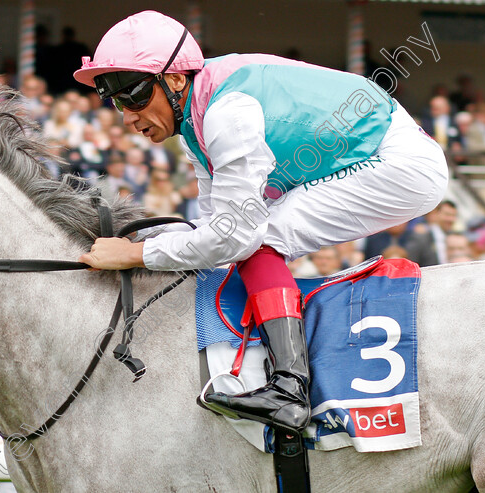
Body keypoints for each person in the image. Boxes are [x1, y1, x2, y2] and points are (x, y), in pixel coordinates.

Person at [73, 10, 448, 431]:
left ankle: (290, 388)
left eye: (135, 96)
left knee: (259, 238)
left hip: (396, 163)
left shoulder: (224, 114)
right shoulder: (197, 114)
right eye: (116, 101)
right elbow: (217, 226)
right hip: (369, 148)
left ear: (176, 79)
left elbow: (234, 237)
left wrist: (138, 253)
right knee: (247, 236)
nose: (127, 115)